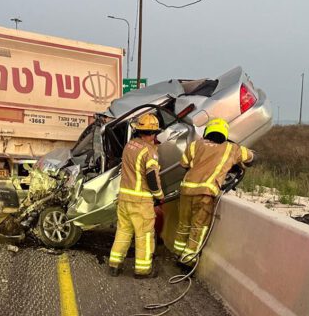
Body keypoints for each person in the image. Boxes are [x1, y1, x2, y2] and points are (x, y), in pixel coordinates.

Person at [174, 118, 254, 263]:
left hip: (186, 190)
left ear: (207, 131)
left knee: (184, 223)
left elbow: (184, 163)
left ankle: (177, 252)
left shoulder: (195, 145)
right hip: (206, 193)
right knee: (198, 227)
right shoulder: (231, 148)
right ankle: (188, 260)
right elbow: (251, 157)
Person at [108, 111, 164, 278]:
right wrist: (159, 195)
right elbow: (152, 178)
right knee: (144, 236)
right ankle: (143, 270)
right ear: (153, 133)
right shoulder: (149, 152)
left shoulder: (129, 145)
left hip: (124, 198)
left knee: (123, 232)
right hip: (140, 201)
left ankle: (114, 265)